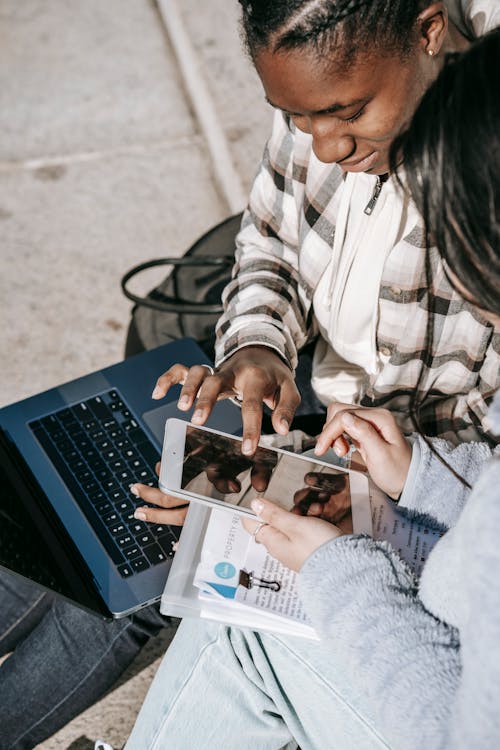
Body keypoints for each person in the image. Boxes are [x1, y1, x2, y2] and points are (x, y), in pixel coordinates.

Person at [1, 2, 498, 748]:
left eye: (346, 114)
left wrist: (337, 517)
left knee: (165, 566)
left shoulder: (480, 161)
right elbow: (266, 242)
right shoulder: (323, 77)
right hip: (363, 463)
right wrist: (256, 349)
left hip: (397, 498)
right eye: (296, 119)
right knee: (79, 495)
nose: (324, 147)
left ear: (431, 33)